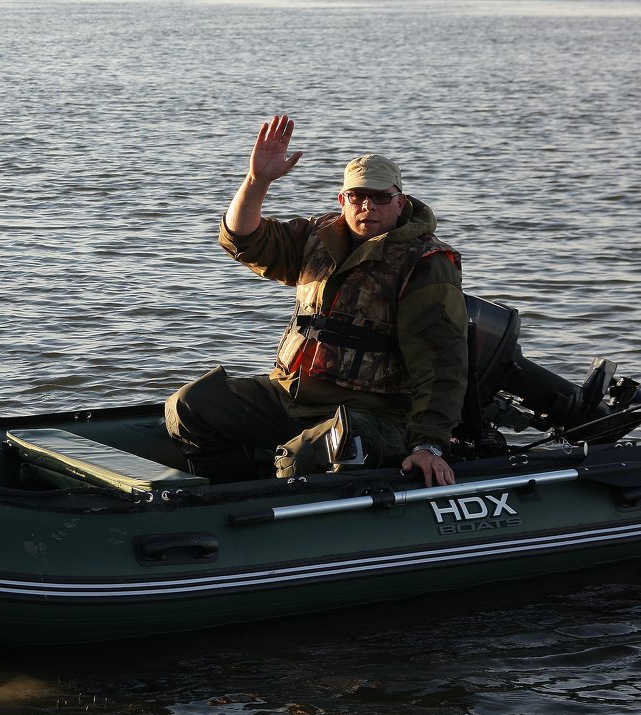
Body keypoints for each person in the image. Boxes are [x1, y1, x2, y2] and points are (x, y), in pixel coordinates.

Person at [165, 114, 468, 487]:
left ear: (400, 201)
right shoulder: (317, 237)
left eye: (380, 197)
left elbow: (442, 364)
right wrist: (257, 181)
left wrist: (429, 445)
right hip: (292, 394)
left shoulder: (425, 264)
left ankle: (283, 515)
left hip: (376, 414)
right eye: (357, 197)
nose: (367, 207)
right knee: (189, 406)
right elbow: (242, 240)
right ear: (342, 199)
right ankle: (227, 496)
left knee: (301, 456)